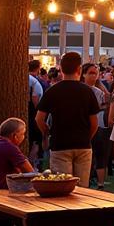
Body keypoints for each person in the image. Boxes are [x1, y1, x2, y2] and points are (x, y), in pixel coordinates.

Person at [34, 51, 99, 187]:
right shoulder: (88, 91)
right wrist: (87, 137)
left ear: (61, 69)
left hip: (60, 144)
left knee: (62, 187)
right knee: (82, 188)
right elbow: (94, 123)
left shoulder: (53, 91)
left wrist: (46, 133)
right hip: (83, 144)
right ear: (79, 69)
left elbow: (39, 118)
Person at [81, 62, 111, 188]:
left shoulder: (98, 91)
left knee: (100, 154)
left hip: (98, 126)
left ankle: (100, 183)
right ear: (83, 74)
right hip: (84, 126)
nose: (94, 76)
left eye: (96, 73)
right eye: (91, 73)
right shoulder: (80, 90)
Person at [27, 60, 45, 168]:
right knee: (35, 141)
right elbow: (35, 100)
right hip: (33, 116)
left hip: (26, 115)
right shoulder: (35, 82)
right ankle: (32, 164)